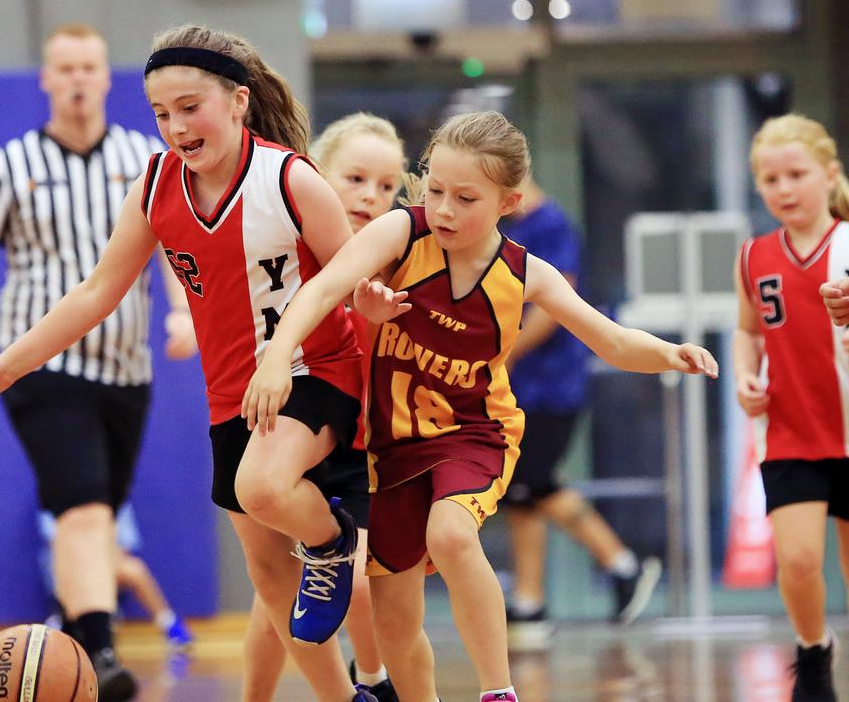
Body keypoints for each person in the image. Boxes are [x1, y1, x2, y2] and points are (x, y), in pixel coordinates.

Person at [0, 24, 379, 702]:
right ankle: (344, 698)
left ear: (238, 101)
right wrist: (8, 365)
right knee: (266, 573)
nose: (175, 125)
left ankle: (332, 541)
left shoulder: (288, 178)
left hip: (316, 370)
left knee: (262, 488)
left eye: (190, 106)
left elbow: (348, 271)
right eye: (161, 113)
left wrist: (338, 322)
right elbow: (95, 292)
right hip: (233, 394)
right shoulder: (154, 186)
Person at [242, 110, 718, 702]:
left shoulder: (525, 276)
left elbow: (613, 340)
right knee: (394, 622)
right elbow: (322, 287)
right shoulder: (398, 234)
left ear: (508, 202)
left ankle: (499, 691)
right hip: (392, 449)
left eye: (465, 198)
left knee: (451, 533)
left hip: (474, 434)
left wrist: (673, 353)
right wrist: (276, 353)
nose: (443, 209)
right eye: (435, 190)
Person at [0, 23, 195, 702]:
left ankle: (83, 646)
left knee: (97, 514)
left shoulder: (146, 157)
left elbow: (175, 245)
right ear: (47, 80)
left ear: (106, 77)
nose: (80, 78)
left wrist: (181, 310)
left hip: (126, 369)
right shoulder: (8, 166)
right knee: (84, 509)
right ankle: (99, 653)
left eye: (91, 66)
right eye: (66, 68)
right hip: (40, 367)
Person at [240, 112, 405, 702]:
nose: (370, 195)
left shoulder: (399, 265)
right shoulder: (294, 257)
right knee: (276, 594)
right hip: (302, 427)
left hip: (366, 443)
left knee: (349, 583)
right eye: (356, 178)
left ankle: (372, 678)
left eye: (387, 187)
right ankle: (363, 682)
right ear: (317, 176)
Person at [499, 174, 662, 648]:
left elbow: (552, 309)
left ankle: (621, 563)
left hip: (550, 386)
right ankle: (532, 602)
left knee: (531, 481)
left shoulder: (551, 226)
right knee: (521, 489)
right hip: (515, 386)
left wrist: (500, 355)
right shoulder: (504, 228)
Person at [735, 112, 849, 702]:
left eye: (796, 174)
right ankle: (812, 650)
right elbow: (748, 330)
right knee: (800, 561)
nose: (784, 188)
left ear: (829, 175)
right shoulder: (754, 255)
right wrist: (744, 374)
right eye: (770, 179)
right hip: (789, 428)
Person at [37, 503, 194, 651]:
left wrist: (100, 566)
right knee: (70, 568)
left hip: (107, 563)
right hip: (71, 564)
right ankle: (64, 619)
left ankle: (169, 623)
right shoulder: (56, 493)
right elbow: (58, 542)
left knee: (134, 569)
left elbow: (123, 546)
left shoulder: (116, 500)